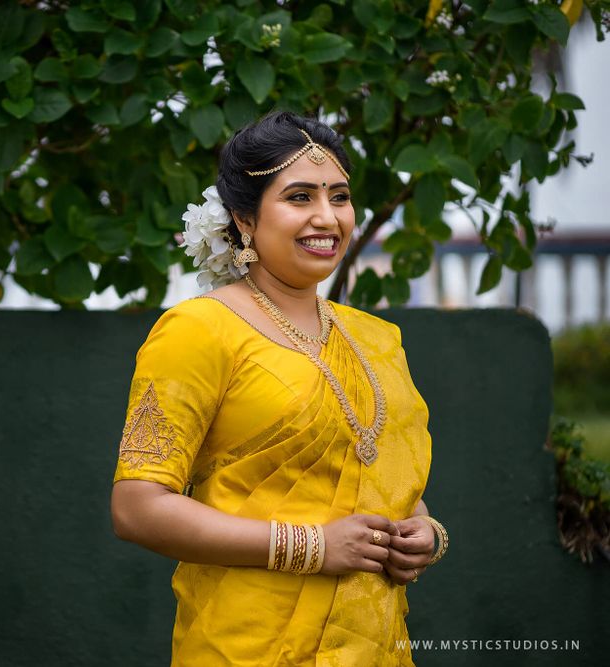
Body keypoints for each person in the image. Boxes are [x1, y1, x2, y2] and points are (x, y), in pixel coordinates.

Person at [110, 111, 449, 666]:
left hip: (373, 643)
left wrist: (420, 534)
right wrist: (313, 548)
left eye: (339, 197)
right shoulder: (199, 329)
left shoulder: (377, 338)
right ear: (244, 218)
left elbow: (380, 483)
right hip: (246, 645)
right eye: (299, 197)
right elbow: (137, 507)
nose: (327, 217)